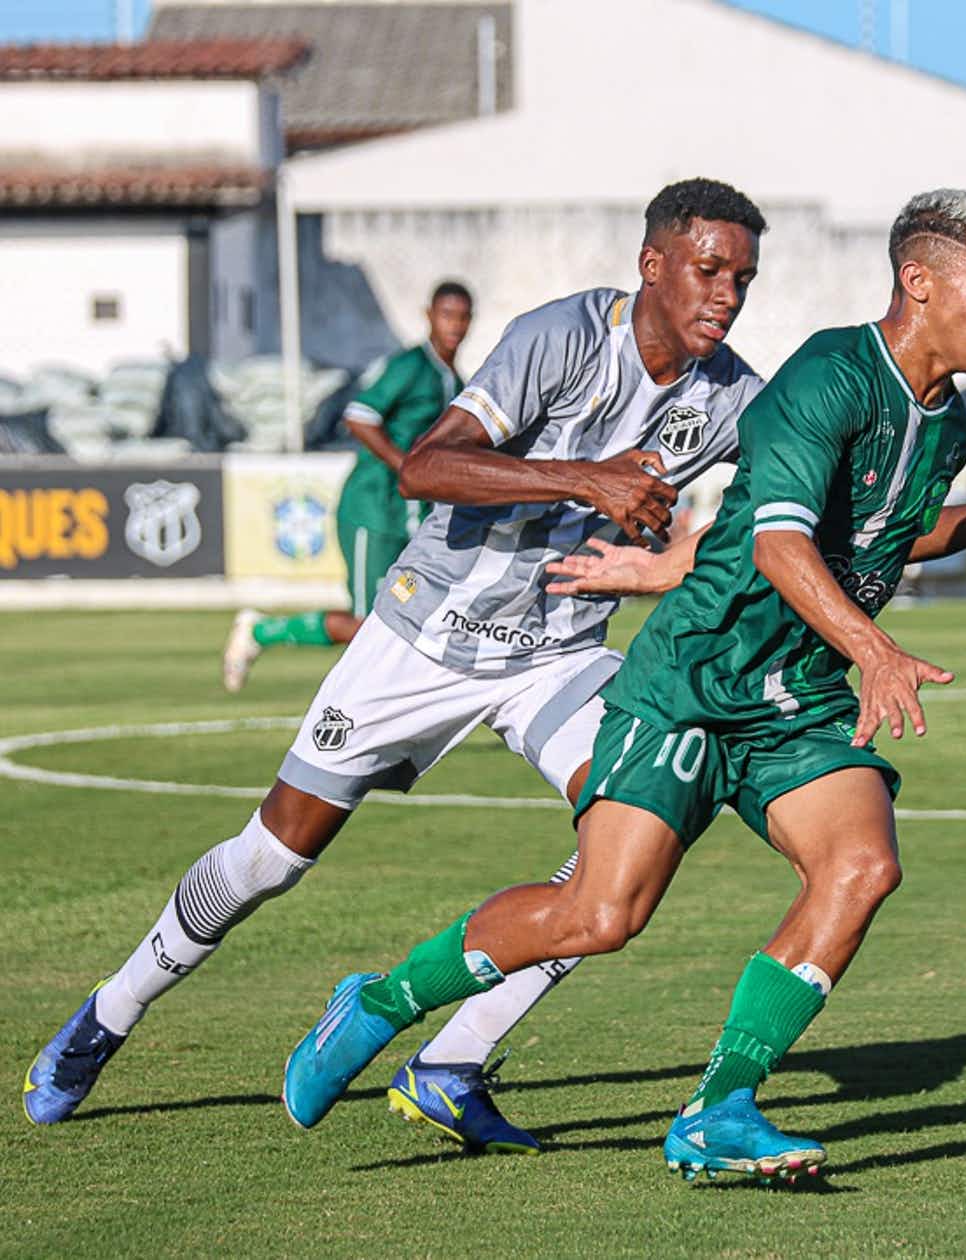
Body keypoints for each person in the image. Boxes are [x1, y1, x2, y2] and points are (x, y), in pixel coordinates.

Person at [279, 189, 966, 1180]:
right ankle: (380, 1002)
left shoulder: (947, 427)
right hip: (695, 676)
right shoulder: (828, 376)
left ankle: (720, 1108)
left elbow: (873, 539)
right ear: (919, 282)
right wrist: (874, 650)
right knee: (602, 916)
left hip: (791, 694)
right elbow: (784, 543)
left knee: (862, 866)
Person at [24, 179, 771, 1156]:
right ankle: (108, 1015)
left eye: (744, 279)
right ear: (653, 264)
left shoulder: (732, 396)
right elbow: (426, 465)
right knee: (272, 857)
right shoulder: (564, 336)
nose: (726, 295)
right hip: (426, 635)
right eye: (710, 270)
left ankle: (453, 1061)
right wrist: (584, 476)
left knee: (634, 837)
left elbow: (799, 505)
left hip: (556, 654)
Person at [222, 282, 473, 691]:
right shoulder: (410, 366)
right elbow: (359, 415)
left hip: (410, 515)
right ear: (429, 315)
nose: (455, 325)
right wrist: (403, 465)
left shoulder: (454, 380)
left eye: (462, 317)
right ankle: (262, 631)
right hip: (372, 508)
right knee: (370, 624)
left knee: (409, 615)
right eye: (447, 315)